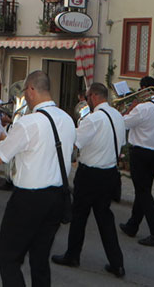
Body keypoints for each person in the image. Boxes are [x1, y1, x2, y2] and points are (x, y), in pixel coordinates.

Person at [0, 70, 76, 286]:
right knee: (40, 258)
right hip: (57, 196)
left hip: (29, 199)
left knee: (7, 257)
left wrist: (4, 138)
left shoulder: (28, 123)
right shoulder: (67, 119)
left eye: (25, 92)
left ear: (31, 90)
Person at [52, 82, 126, 278]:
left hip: (90, 174)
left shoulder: (93, 119)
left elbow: (75, 142)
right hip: (110, 173)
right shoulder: (118, 117)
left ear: (93, 96)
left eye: (87, 97)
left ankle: (72, 256)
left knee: (79, 217)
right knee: (105, 220)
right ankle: (117, 263)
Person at [119, 76, 154, 248]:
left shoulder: (142, 109)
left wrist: (128, 110)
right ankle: (132, 225)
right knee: (143, 190)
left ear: (146, 89)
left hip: (140, 153)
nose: (139, 93)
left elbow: (123, 124)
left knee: (143, 193)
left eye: (141, 89)